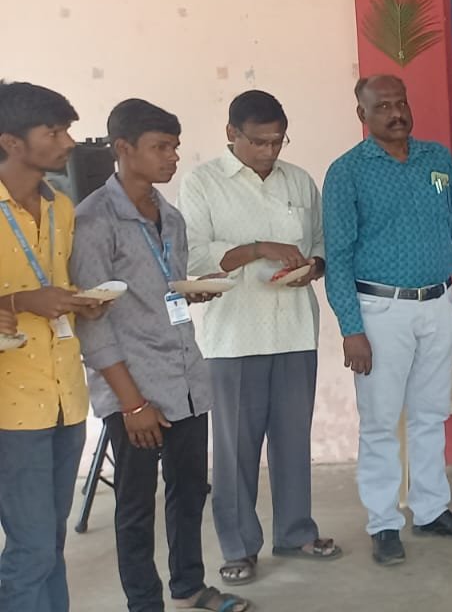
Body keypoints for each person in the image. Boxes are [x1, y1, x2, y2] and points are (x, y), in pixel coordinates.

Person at [73, 99, 250, 612]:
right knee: (133, 507)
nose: (172, 157)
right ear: (122, 149)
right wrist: (131, 404)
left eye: (174, 146)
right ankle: (143, 603)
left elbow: (159, 291)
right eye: (160, 147)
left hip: (186, 377)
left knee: (190, 490)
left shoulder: (169, 216)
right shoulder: (94, 220)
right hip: (135, 386)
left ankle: (190, 586)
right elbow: (93, 319)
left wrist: (189, 292)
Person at [178, 90, 339, 585]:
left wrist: (311, 266)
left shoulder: (299, 180)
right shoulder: (202, 184)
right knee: (235, 450)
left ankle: (295, 531)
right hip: (234, 337)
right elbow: (196, 259)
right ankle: (239, 546)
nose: (270, 151)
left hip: (293, 328)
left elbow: (319, 247)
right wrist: (256, 249)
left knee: (293, 441)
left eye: (278, 141)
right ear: (232, 134)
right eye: (259, 142)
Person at [323, 75, 452, 567]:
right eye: (383, 106)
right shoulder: (347, 172)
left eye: (401, 102)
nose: (396, 113)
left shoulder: (436, 158)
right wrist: (352, 328)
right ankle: (384, 523)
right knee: (378, 423)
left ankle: (432, 510)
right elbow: (339, 256)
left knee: (431, 414)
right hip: (379, 312)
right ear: (363, 115)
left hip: (438, 304)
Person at [0, 81, 106, 612]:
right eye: (54, 132)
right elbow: (29, 296)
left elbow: (54, 284)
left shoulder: (62, 206)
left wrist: (79, 301)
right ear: (12, 142)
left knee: (51, 542)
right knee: (31, 547)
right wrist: (22, 300)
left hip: (66, 397)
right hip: (10, 406)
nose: (67, 142)